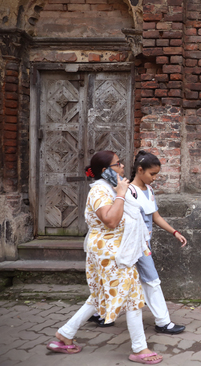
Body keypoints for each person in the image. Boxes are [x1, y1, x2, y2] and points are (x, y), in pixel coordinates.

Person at [46, 151, 163, 364]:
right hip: (111, 253)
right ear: (105, 171)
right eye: (117, 164)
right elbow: (110, 220)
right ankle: (139, 348)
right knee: (133, 298)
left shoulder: (109, 188)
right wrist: (120, 194)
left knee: (99, 296)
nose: (122, 167)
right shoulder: (100, 191)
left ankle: (65, 334)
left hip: (115, 251)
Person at [129, 150, 187, 334]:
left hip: (144, 243)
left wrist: (174, 232)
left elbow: (156, 216)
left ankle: (99, 313)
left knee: (126, 279)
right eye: (152, 174)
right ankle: (163, 322)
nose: (154, 178)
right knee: (152, 280)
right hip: (134, 245)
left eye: (156, 174)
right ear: (140, 170)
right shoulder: (129, 192)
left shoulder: (149, 191)